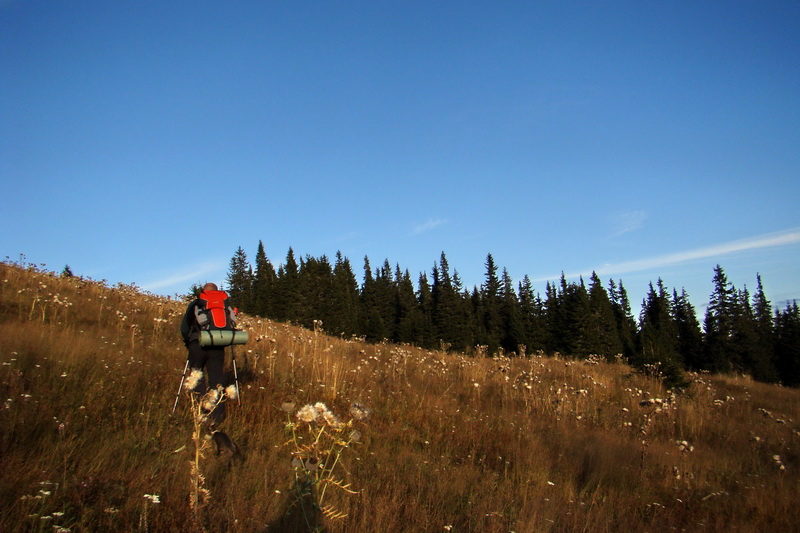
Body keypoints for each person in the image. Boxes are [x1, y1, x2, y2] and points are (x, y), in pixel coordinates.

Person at [180, 282, 234, 427]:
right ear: (217, 291)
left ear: (204, 291)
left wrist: (188, 342)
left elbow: (185, 327)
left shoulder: (197, 303)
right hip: (217, 345)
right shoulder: (224, 304)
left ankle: (202, 411)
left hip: (197, 343)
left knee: (197, 376)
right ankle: (217, 417)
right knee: (217, 379)